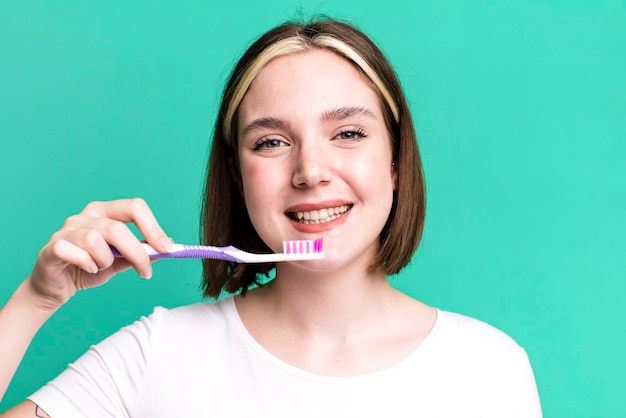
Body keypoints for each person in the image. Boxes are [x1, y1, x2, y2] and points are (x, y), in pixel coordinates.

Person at [0, 19, 542, 417]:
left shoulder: (488, 370)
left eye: (348, 133)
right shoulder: (157, 356)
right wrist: (34, 301)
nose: (310, 170)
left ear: (397, 163)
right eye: (272, 141)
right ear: (238, 178)